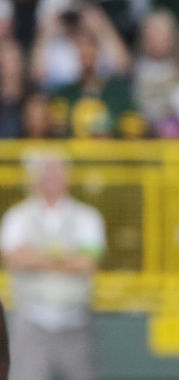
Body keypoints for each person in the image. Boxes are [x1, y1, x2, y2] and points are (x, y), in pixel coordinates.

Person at [0, 150, 106, 380]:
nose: (51, 178)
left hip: (76, 319)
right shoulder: (17, 216)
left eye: (57, 171)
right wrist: (66, 259)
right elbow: (13, 259)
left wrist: (36, 257)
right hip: (31, 319)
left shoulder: (87, 216)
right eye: (45, 171)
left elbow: (87, 262)